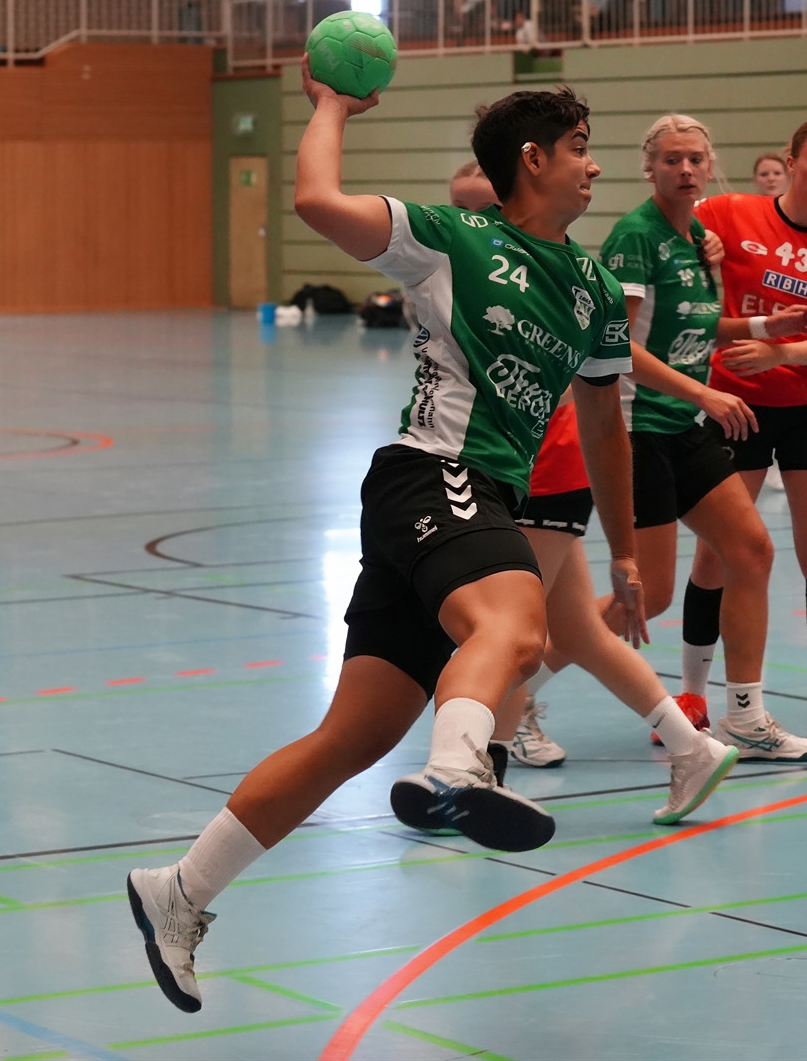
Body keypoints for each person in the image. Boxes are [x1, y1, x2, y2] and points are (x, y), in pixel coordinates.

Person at [125, 66, 651, 1015]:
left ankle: (181, 891)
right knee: (517, 626)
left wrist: (626, 550)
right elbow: (317, 200)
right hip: (432, 472)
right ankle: (459, 765)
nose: (595, 166)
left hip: (474, 494)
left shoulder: (594, 287)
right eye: (580, 149)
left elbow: (607, 425)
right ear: (532, 160)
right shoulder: (453, 240)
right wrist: (331, 107)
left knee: (355, 734)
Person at [602, 113, 807, 760]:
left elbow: (694, 328)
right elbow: (616, 346)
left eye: (695, 159)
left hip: (683, 425)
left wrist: (764, 327)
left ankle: (745, 718)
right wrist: (703, 392)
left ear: (710, 166)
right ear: (650, 168)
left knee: (751, 551)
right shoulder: (635, 237)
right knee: (650, 592)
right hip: (638, 428)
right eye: (671, 159)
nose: (685, 170)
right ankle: (522, 682)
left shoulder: (700, 238)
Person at [691, 120, 807, 747]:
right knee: (716, 553)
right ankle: (692, 693)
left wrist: (780, 353)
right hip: (736, 403)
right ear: (791, 162)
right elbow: (674, 226)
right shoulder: (731, 212)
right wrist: (702, 244)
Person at [481, 392, 740, 811]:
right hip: (546, 463)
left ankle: (481, 781)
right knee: (580, 632)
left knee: (510, 634)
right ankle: (691, 748)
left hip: (539, 468)